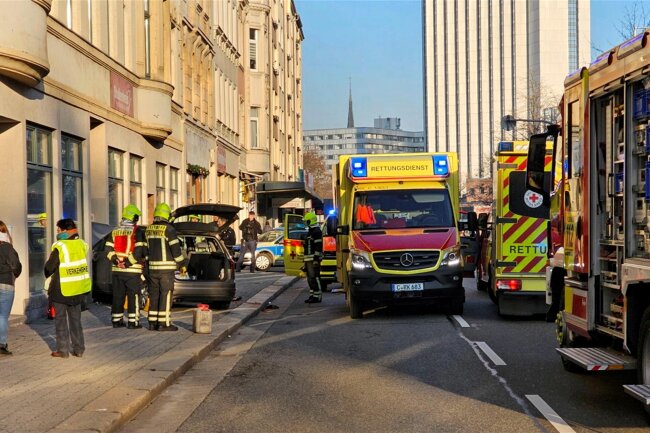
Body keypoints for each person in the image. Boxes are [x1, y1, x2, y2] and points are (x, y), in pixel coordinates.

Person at [45, 218, 91, 358]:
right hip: (77, 289)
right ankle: (79, 349)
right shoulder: (82, 244)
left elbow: (49, 268)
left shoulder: (60, 246)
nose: (57, 233)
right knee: (76, 320)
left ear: (65, 231)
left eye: (58, 230)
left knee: (60, 320)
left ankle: (63, 350)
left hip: (61, 289)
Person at [145, 203, 187, 331]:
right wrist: (182, 265)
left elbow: (146, 250)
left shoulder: (148, 229)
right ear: (166, 215)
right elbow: (176, 251)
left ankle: (153, 322)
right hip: (166, 270)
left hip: (152, 269)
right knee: (166, 294)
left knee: (154, 294)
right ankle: (164, 324)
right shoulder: (169, 229)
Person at [105, 204, 147, 329]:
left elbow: (107, 249)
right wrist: (127, 263)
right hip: (132, 271)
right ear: (133, 217)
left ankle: (116, 320)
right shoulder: (137, 231)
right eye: (136, 217)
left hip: (117, 270)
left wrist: (116, 261)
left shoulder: (115, 230)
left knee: (118, 295)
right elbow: (139, 251)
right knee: (133, 296)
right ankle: (133, 322)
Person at [0, 221, 21, 355]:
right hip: (6, 283)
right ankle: (1, 345)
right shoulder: (8, 248)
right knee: (2, 316)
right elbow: (16, 266)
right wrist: (14, 275)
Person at [303, 212, 323, 303]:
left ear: (310, 221)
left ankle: (317, 296)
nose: (305, 223)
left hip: (313, 259)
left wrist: (316, 259)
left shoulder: (317, 231)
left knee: (315, 277)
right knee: (310, 278)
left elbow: (318, 246)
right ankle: (312, 295)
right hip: (308, 259)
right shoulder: (310, 231)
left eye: (306, 221)